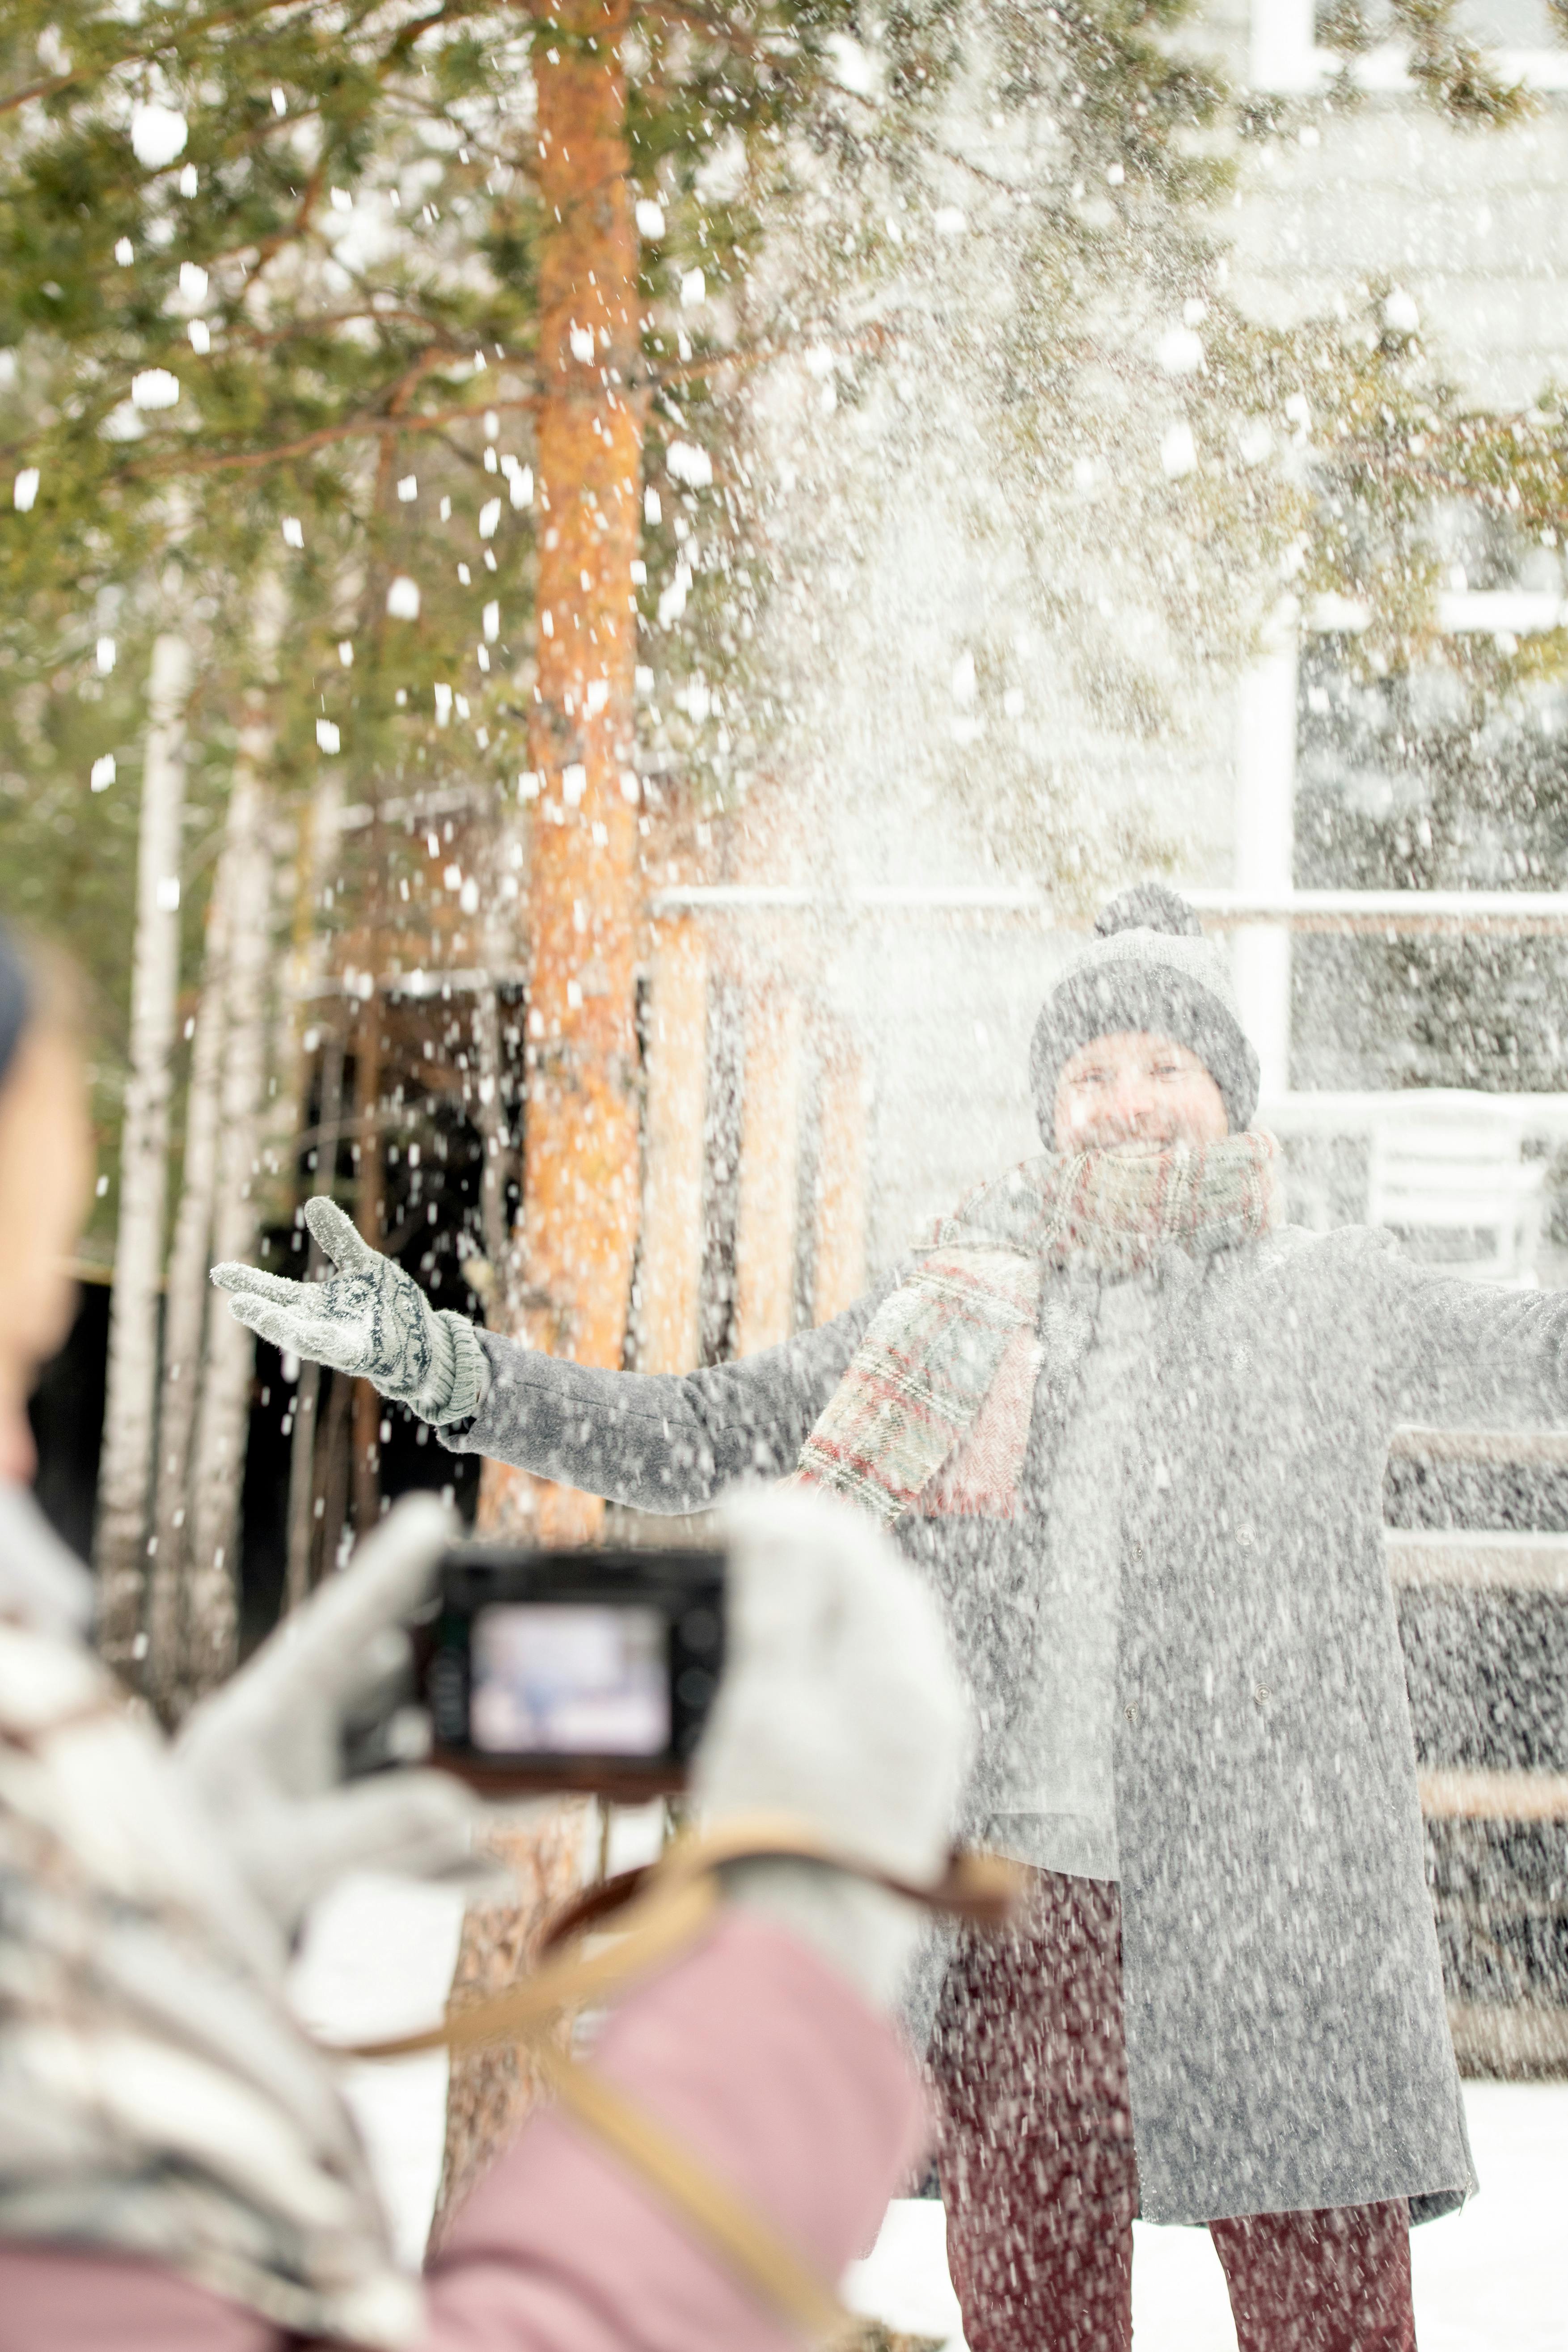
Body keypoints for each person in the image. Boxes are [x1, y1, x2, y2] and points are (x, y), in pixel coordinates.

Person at [218, 878, 1568, 2352]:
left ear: (1226, 1095)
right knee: (1034, 2328)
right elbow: (696, 1430)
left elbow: (1537, 1352)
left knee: (1333, 2335)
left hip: (1277, 1913)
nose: (1126, 1101)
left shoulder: (1328, 1292)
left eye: (1163, 1068)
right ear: (1050, 1107)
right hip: (1017, 1930)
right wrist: (445, 1368)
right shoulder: (959, 1309)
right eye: (1091, 1073)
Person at [0, 917, 974, 2350]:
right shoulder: (935, 1314)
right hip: (924, 1901)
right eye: (22, 1342)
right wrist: (791, 1968)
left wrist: (167, 1912)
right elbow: (693, 1431)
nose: (29, 1444)